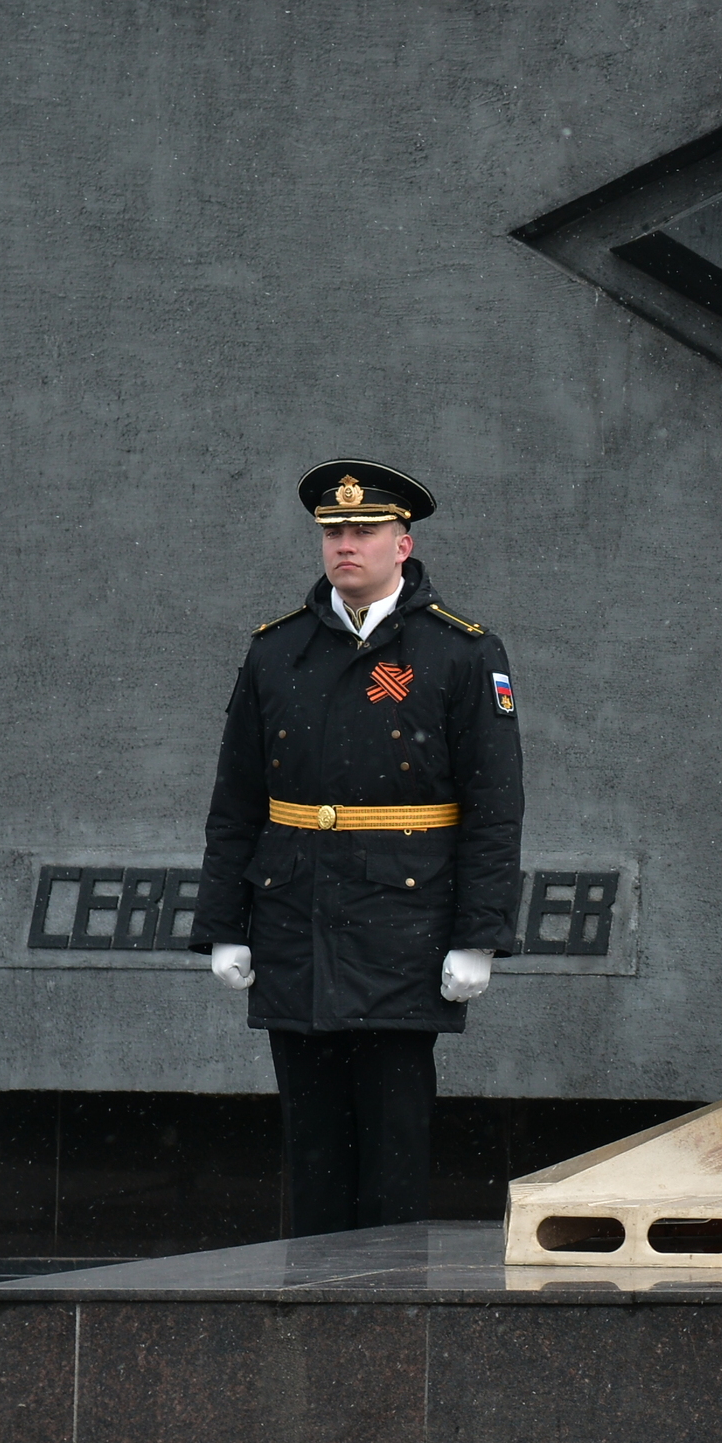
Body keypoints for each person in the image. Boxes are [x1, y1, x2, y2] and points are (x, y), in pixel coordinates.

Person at [195, 460, 524, 1236]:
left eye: (365, 531)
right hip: (295, 921)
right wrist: (223, 924)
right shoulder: (278, 650)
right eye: (333, 531)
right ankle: (313, 1301)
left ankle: (387, 1299)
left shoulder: (460, 652)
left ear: (403, 544)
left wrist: (479, 935)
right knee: (311, 1153)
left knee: (393, 1148)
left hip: (402, 928)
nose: (346, 544)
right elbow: (236, 801)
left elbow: (494, 808)